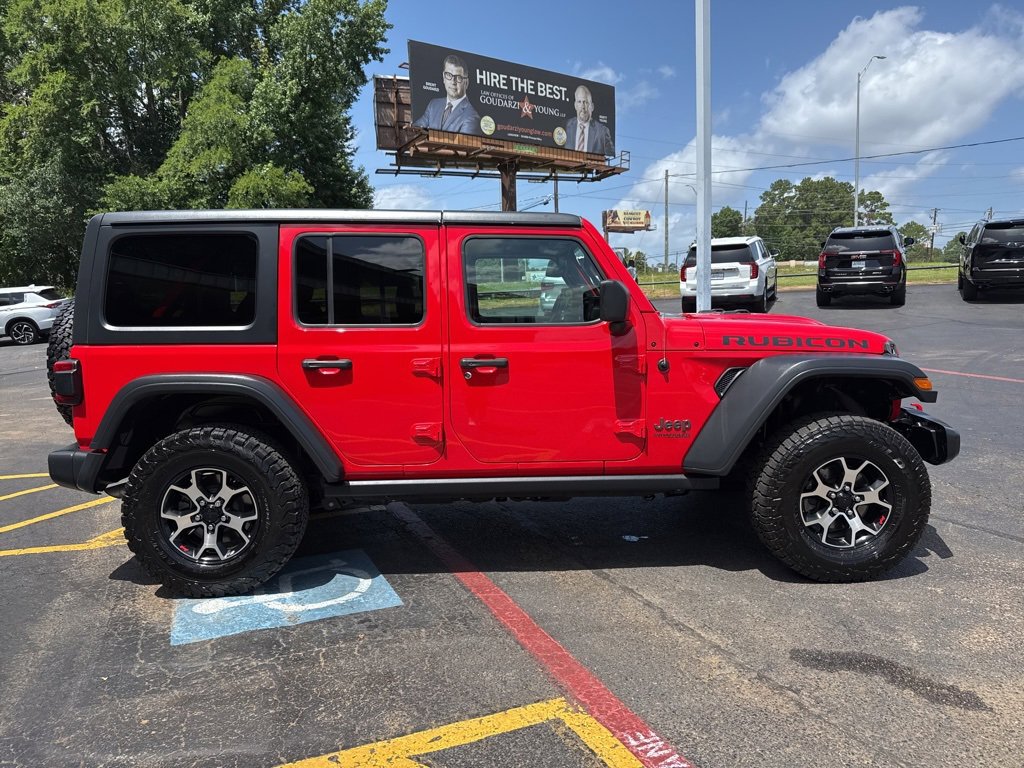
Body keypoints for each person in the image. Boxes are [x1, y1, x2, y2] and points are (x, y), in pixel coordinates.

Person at [413, 54, 480, 134]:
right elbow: (416, 129)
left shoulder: (471, 117)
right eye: (449, 75)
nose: (453, 82)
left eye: (458, 77)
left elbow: (462, 146)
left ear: (466, 83)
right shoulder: (434, 105)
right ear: (443, 77)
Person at [565, 85, 614, 155]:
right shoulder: (566, 126)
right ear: (575, 105)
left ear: (592, 107)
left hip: (591, 165)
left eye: (586, 102)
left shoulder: (602, 131)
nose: (583, 107)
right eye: (579, 102)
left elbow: (611, 154)